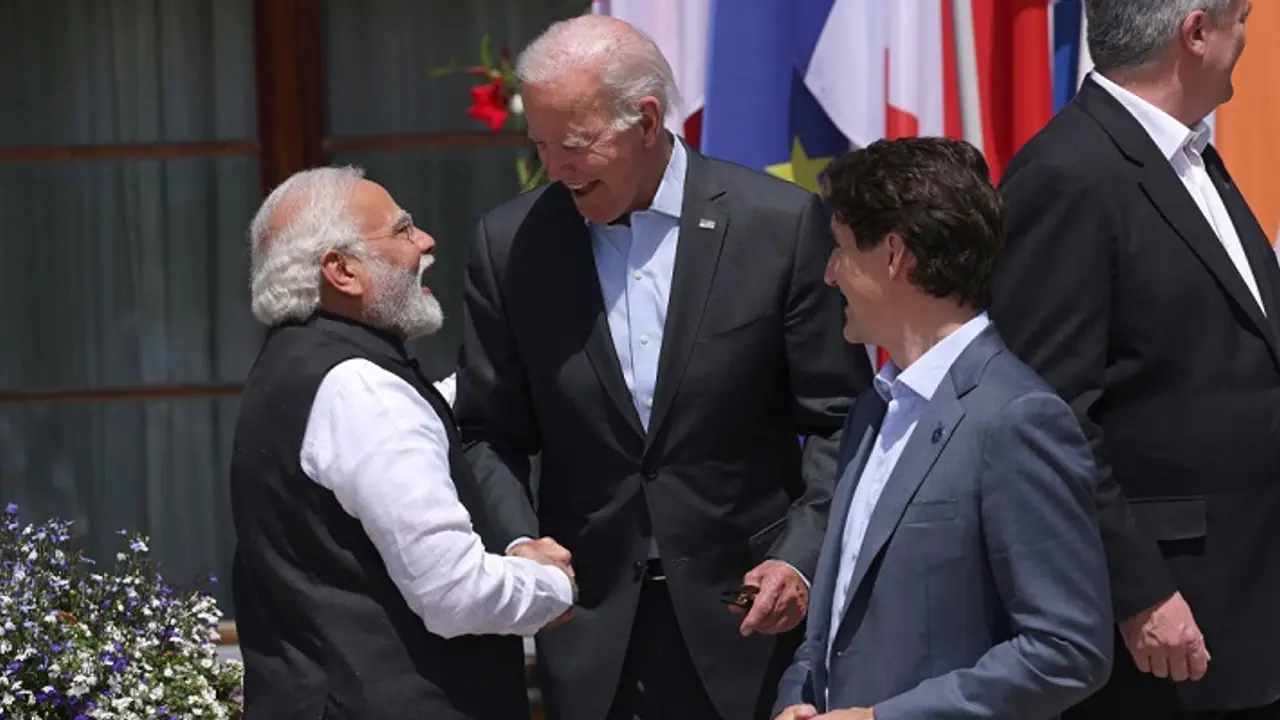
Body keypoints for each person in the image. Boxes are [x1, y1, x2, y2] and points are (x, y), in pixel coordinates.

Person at [454, 15, 870, 720]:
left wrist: (800, 557)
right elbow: (484, 430)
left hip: (746, 620)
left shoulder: (777, 223)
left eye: (575, 144)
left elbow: (843, 420)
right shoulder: (511, 244)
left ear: (646, 120)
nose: (554, 168)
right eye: (540, 146)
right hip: (588, 629)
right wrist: (520, 541)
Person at [990, 0, 1280, 716]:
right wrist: (1139, 590)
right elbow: (1046, 414)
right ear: (1197, 34)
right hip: (1167, 630)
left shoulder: (1191, 156)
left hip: (1250, 601)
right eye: (1240, 18)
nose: (1247, 37)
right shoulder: (1069, 174)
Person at [773, 137, 1113, 720]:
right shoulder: (870, 411)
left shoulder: (1016, 419)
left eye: (842, 249)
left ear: (894, 255)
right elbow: (832, 624)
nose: (829, 275)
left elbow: (1067, 649)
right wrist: (797, 700)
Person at [230, 166, 577, 720]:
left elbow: (412, 417)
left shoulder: (297, 367)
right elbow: (454, 592)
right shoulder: (362, 389)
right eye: (402, 230)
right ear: (341, 270)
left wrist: (520, 367)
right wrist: (550, 583)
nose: (425, 242)